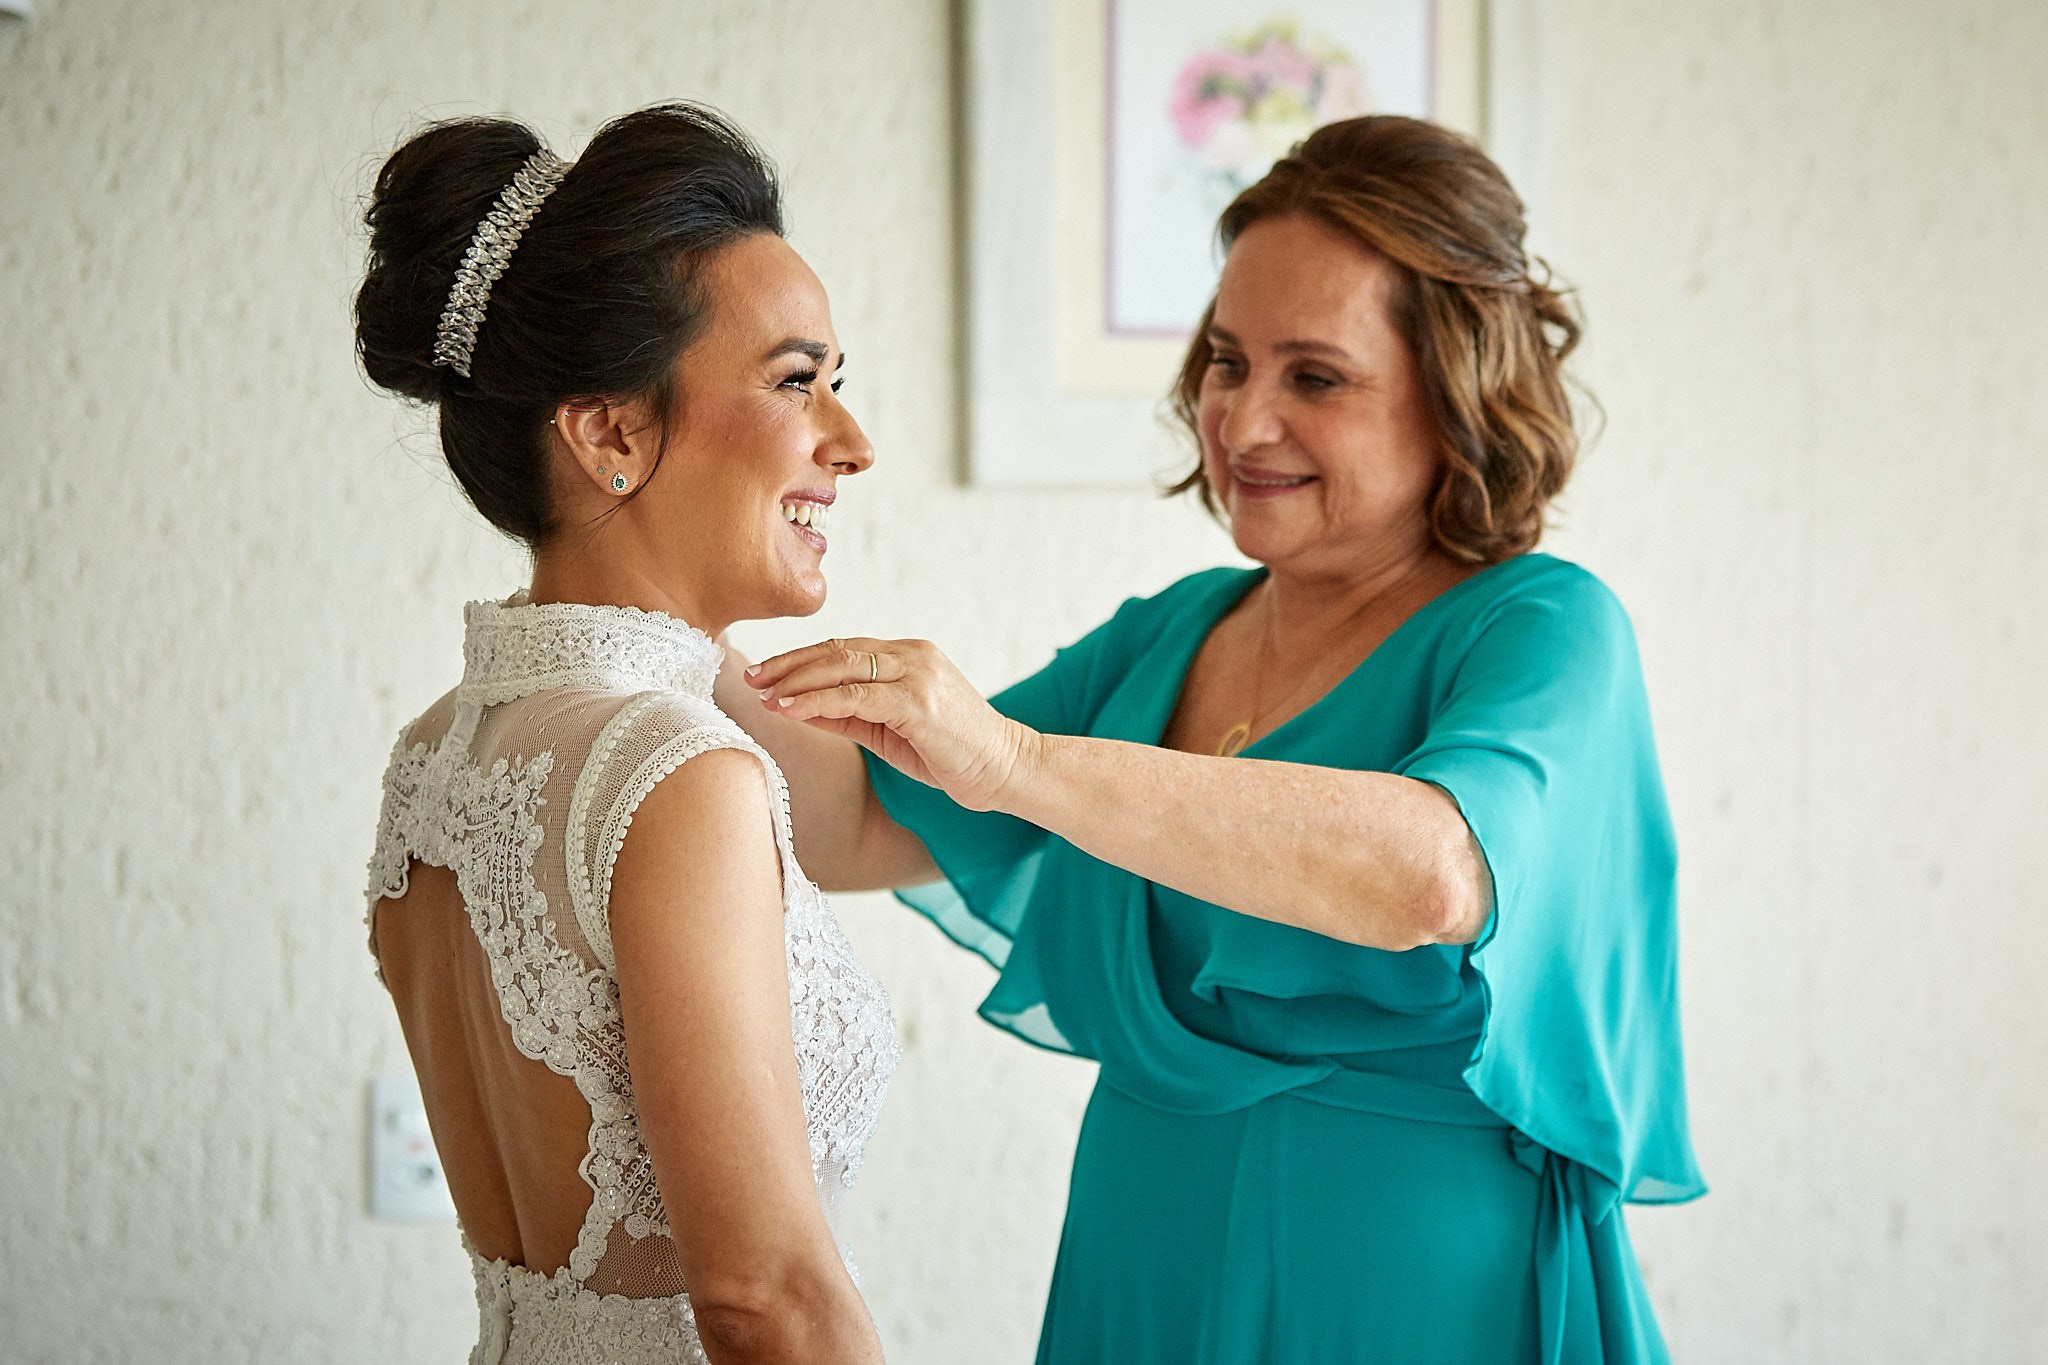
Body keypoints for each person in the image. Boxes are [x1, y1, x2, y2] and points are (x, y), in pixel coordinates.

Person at [733, 115, 1705, 1364]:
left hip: (1410, 1288)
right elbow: (859, 820)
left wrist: (1020, 765)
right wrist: (647, 607)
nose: (1241, 424)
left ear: (1454, 390)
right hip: (1144, 1247)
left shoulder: (1544, 627)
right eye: (1226, 362)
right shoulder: (1171, 635)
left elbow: (1434, 874)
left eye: (1315, 375)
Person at [355, 103, 896, 1364]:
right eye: (795, 381)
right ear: (609, 432)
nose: (851, 444)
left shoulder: (437, 754)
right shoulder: (678, 776)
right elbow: (763, 1296)